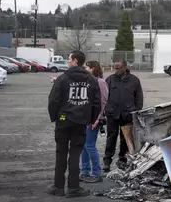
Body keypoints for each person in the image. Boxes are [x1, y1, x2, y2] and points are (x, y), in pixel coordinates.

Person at [47, 50, 101, 198]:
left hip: (64, 121)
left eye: (69, 59)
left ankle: (58, 187)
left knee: (61, 153)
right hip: (80, 122)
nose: (68, 61)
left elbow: (53, 101)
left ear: (76, 60)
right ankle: (73, 187)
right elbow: (96, 103)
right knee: (75, 154)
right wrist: (90, 119)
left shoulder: (63, 78)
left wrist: (55, 117)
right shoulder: (91, 80)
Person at [102, 59, 143, 172]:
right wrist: (106, 110)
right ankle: (107, 161)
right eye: (115, 68)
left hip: (128, 115)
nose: (117, 70)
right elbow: (104, 97)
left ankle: (122, 159)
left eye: (119, 68)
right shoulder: (110, 80)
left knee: (125, 139)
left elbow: (139, 97)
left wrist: (136, 111)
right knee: (111, 137)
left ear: (125, 67)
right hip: (113, 115)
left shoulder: (134, 80)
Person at [80, 60, 109, 183]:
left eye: (86, 67)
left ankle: (96, 173)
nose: (84, 69)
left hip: (94, 119)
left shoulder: (100, 82)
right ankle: (84, 171)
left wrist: (98, 118)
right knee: (83, 146)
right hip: (84, 119)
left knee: (90, 145)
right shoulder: (86, 82)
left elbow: (104, 101)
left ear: (93, 69)